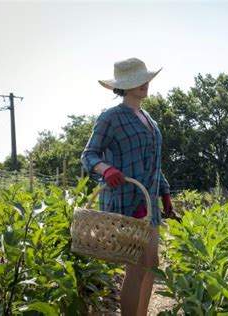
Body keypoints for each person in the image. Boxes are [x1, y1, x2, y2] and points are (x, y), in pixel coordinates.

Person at [81, 57, 178, 315]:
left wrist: (165, 194)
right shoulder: (111, 117)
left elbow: (154, 164)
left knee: (152, 265)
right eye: (137, 81)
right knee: (136, 265)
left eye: (145, 79)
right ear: (123, 86)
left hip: (149, 201)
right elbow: (89, 155)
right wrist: (107, 169)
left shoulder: (150, 119)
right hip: (125, 199)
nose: (144, 85)